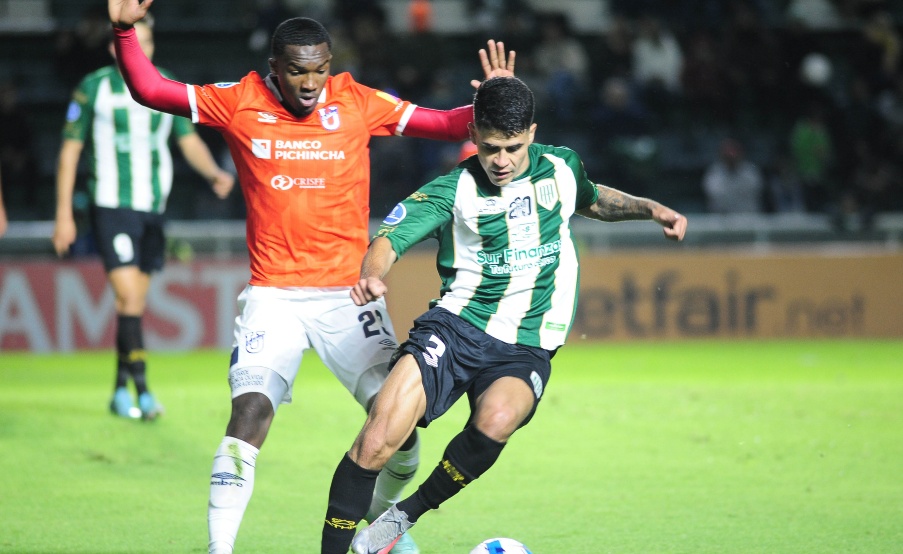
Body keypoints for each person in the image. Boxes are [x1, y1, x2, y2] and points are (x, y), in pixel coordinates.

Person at [106, 1, 515, 553]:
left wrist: (491, 103)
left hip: (349, 297)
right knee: (249, 415)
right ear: (274, 68)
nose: (310, 82)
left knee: (399, 432)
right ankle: (219, 549)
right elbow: (152, 90)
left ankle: (383, 526)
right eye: (297, 71)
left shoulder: (356, 101)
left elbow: (442, 124)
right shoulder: (240, 100)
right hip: (274, 295)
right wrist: (124, 30)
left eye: (320, 69)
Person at [319, 76, 687, 554]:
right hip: (455, 328)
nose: (501, 160)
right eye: (490, 148)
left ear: (532, 133)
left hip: (527, 343)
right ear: (473, 134)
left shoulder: (562, 167)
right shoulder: (454, 189)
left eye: (513, 148)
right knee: (376, 442)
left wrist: (651, 209)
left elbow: (594, 199)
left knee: (498, 418)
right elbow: (389, 239)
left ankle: (401, 517)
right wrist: (372, 275)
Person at [51, 16, 235, 422]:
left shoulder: (164, 84)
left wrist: (212, 173)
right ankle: (143, 391)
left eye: (148, 42)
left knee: (131, 303)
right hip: (110, 205)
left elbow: (186, 140)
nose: (142, 50)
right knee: (130, 298)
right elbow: (69, 150)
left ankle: (119, 390)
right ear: (113, 47)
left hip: (153, 208)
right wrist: (63, 214)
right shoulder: (93, 87)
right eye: (136, 42)